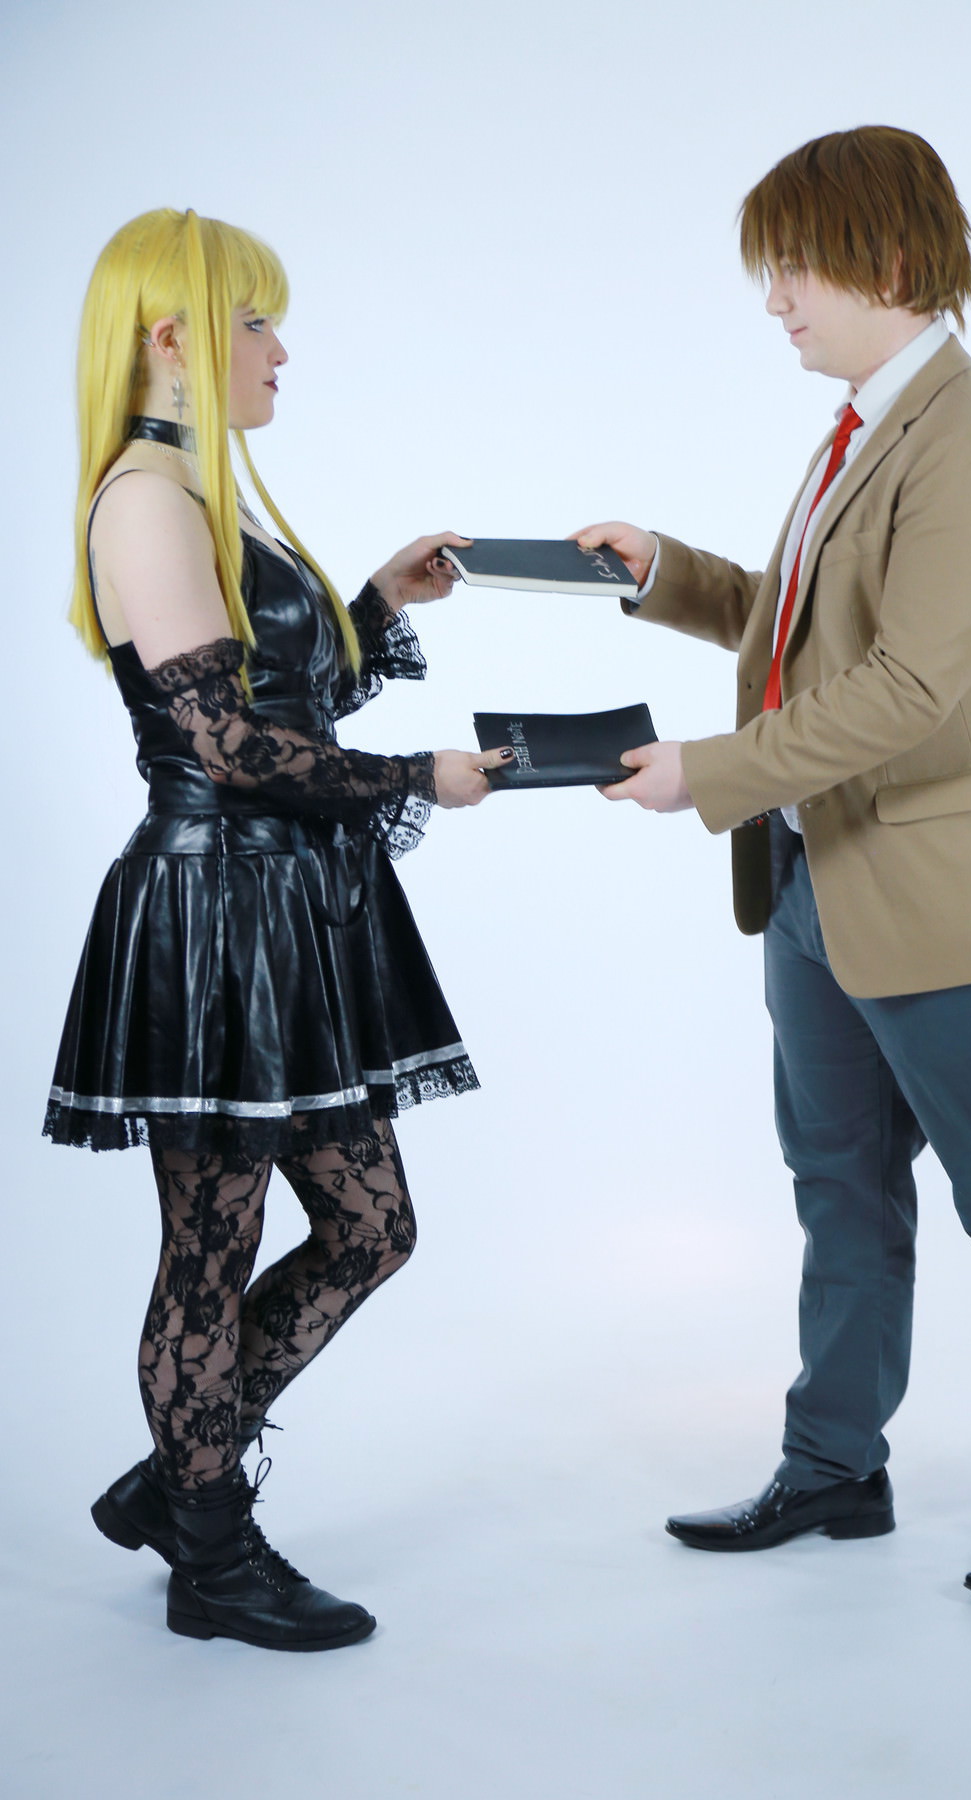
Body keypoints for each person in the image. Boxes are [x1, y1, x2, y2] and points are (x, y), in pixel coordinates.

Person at [572, 126, 971, 1602]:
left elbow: (908, 690)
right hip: (821, 879)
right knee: (841, 1188)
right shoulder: (865, 428)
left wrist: (704, 772)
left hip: (958, 901)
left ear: (885, 261)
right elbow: (807, 626)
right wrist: (665, 572)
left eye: (794, 270)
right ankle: (834, 1467)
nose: (776, 301)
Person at [45, 207, 511, 1651]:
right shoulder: (145, 499)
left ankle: (177, 1475)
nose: (279, 352)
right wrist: (419, 776)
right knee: (213, 1246)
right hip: (217, 918)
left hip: (286, 907)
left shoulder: (200, 493)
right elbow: (228, 749)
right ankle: (212, 1557)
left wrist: (372, 601)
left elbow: (282, 710)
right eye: (255, 323)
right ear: (173, 336)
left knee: (371, 1227)